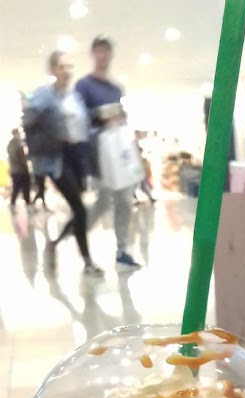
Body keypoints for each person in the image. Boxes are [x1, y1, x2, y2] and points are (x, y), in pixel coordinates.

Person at [22, 52, 103, 276]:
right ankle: (87, 261)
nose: (66, 71)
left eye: (69, 67)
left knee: (79, 210)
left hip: (77, 157)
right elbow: (28, 123)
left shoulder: (75, 97)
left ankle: (56, 241)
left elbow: (84, 128)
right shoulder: (43, 95)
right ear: (52, 70)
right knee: (79, 208)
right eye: (61, 67)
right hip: (57, 157)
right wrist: (42, 144)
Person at [76, 36, 142, 271]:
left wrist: (119, 119)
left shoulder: (115, 89)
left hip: (119, 149)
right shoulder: (84, 86)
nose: (103, 56)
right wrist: (99, 117)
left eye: (106, 51)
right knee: (103, 200)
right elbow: (78, 119)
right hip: (98, 153)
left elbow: (121, 119)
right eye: (99, 51)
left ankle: (122, 251)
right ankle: (79, 236)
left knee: (124, 199)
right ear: (92, 54)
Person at [7, 128, 31, 210]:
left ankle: (27, 203)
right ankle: (13, 203)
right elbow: (16, 157)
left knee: (24, 187)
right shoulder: (13, 144)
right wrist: (24, 163)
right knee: (17, 187)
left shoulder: (17, 143)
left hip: (20, 169)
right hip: (18, 170)